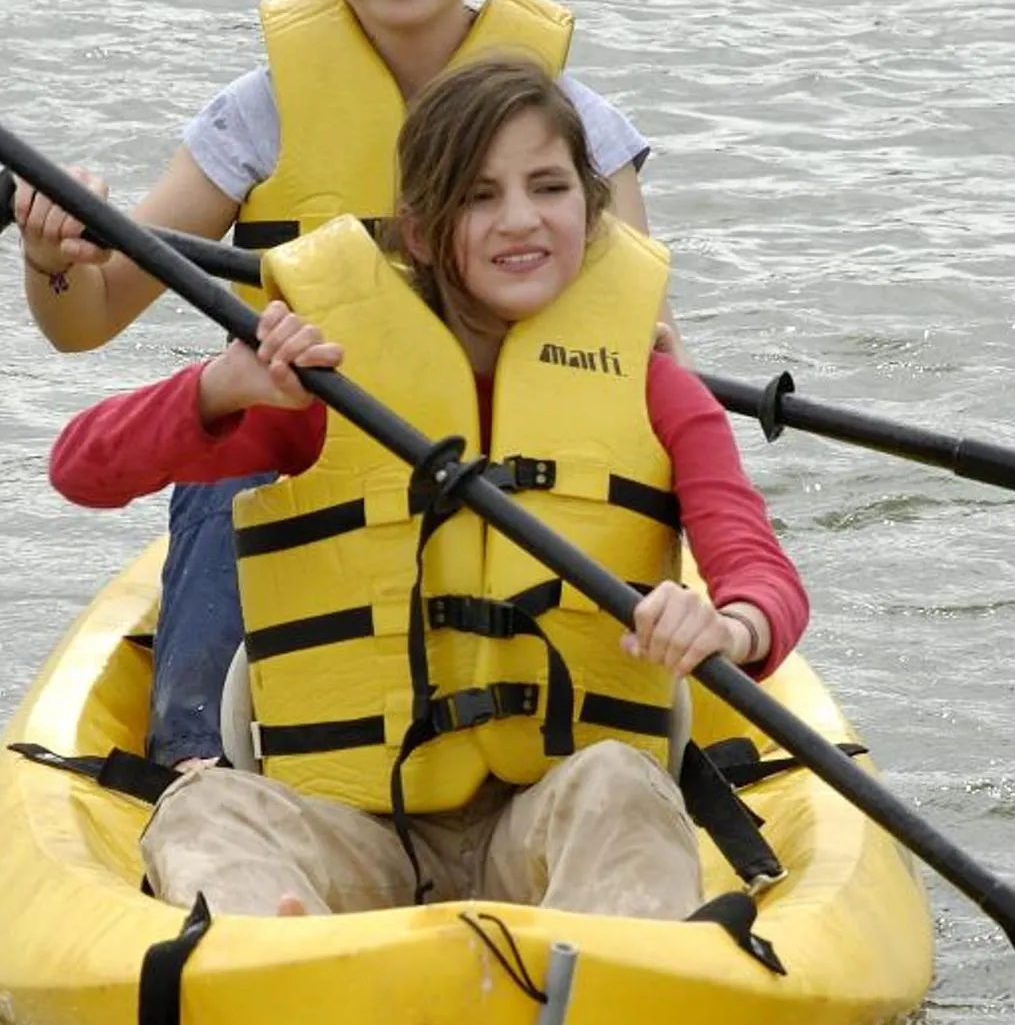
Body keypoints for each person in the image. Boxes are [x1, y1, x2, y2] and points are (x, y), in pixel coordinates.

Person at [47, 54, 800, 921]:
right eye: (480, 196)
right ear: (418, 229)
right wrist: (222, 388)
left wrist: (731, 624)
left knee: (622, 785)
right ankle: (278, 963)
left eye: (549, 187)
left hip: (545, 825)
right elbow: (81, 469)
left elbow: (757, 570)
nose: (520, 220)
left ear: (592, 214)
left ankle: (612, 980)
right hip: (356, 824)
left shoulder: (655, 386)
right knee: (204, 809)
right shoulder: (334, 381)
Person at [13, 0, 658, 767]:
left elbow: (637, 352)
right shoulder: (256, 117)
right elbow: (87, 320)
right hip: (302, 449)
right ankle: (200, 769)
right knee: (235, 483)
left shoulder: (571, 126)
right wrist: (50, 256)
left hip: (507, 458)